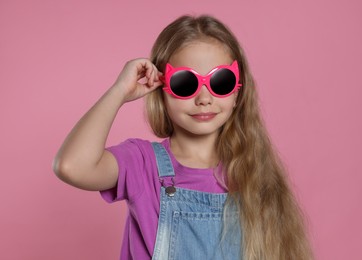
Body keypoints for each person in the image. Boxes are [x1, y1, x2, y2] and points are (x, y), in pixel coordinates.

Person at [53, 14, 313, 260]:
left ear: (237, 92)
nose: (203, 99)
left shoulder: (254, 171)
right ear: (162, 89)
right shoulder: (142, 164)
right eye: (185, 83)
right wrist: (120, 91)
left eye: (220, 81)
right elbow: (72, 166)